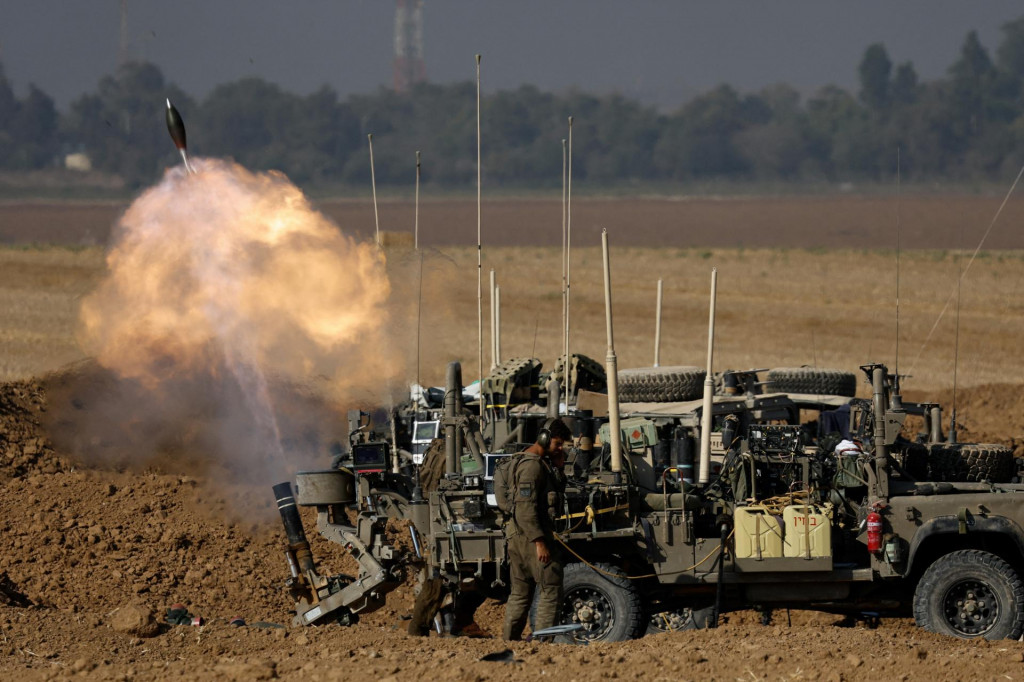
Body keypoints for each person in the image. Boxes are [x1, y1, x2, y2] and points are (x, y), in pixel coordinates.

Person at [502, 418, 572, 641]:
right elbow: (525, 509)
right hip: (532, 540)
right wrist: (540, 543)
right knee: (550, 589)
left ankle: (510, 641)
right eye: (558, 444)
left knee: (520, 594)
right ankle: (543, 644)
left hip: (518, 538)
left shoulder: (531, 461)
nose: (560, 449)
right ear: (544, 438)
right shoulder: (532, 466)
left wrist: (559, 468)